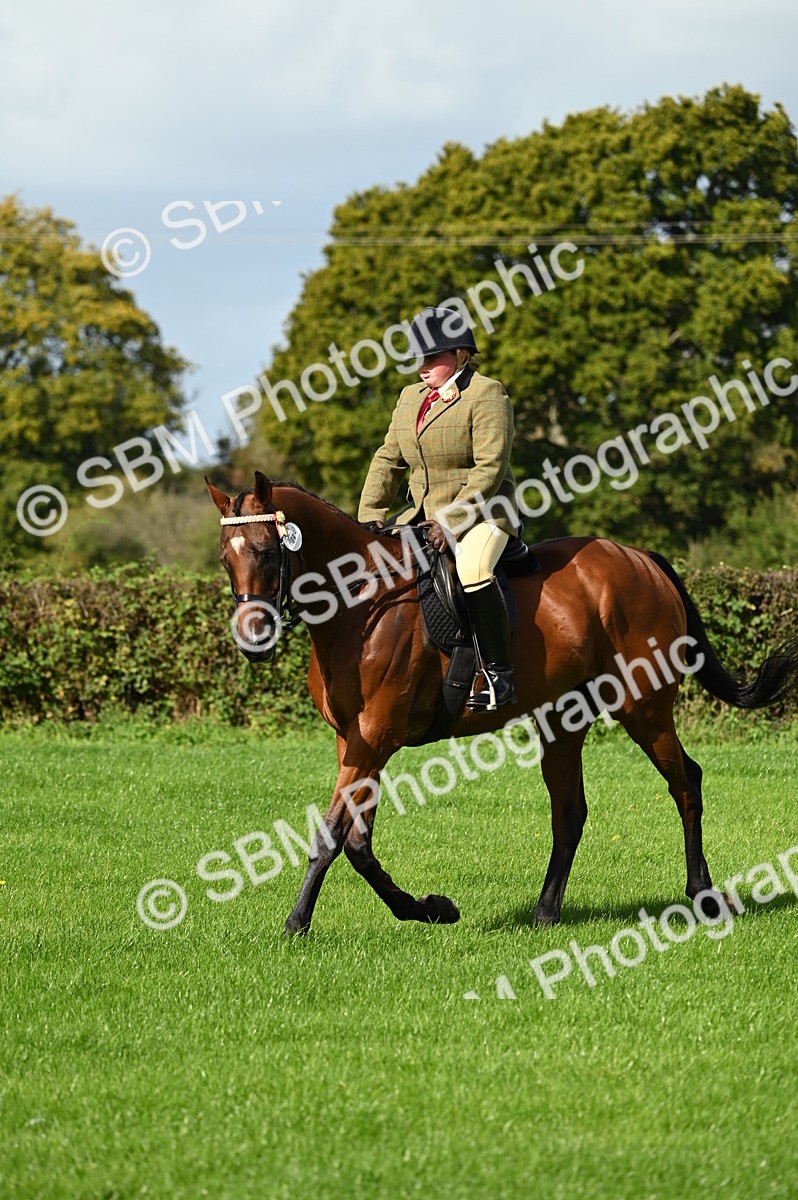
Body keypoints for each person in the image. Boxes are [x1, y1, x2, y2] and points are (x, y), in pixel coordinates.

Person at [358, 306, 520, 710]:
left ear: (461, 355)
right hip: (420, 517)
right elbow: (388, 459)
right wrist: (369, 517)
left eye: (432, 358)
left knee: (473, 570)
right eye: (419, 358)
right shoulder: (409, 398)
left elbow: (490, 468)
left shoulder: (486, 393)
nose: (422, 367)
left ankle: (500, 677)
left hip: (484, 512)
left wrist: (451, 520)